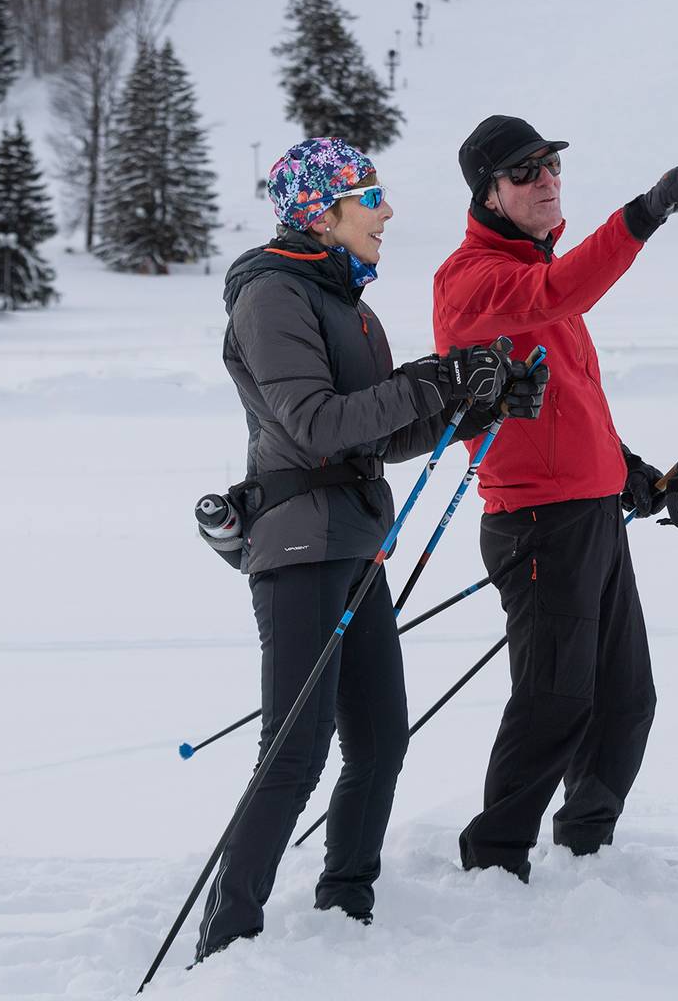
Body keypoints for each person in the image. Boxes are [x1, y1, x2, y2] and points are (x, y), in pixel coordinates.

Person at [200, 137, 546, 961]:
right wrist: (438, 378)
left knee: (382, 738)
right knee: (295, 749)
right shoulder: (273, 295)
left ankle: (346, 901)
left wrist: (473, 400)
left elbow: (380, 435)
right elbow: (316, 425)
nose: (387, 212)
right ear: (322, 209)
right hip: (297, 544)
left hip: (353, 539)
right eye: (372, 197)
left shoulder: (350, 303)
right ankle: (228, 939)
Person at [432, 115, 678, 882]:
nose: (547, 179)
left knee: (625, 700)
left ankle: (587, 845)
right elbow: (560, 289)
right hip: (535, 526)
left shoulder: (534, 272)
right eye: (525, 172)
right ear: (488, 195)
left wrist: (635, 473)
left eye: (552, 163)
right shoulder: (476, 280)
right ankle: (493, 861)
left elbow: (570, 405)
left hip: (589, 514)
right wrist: (645, 213)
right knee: (554, 703)